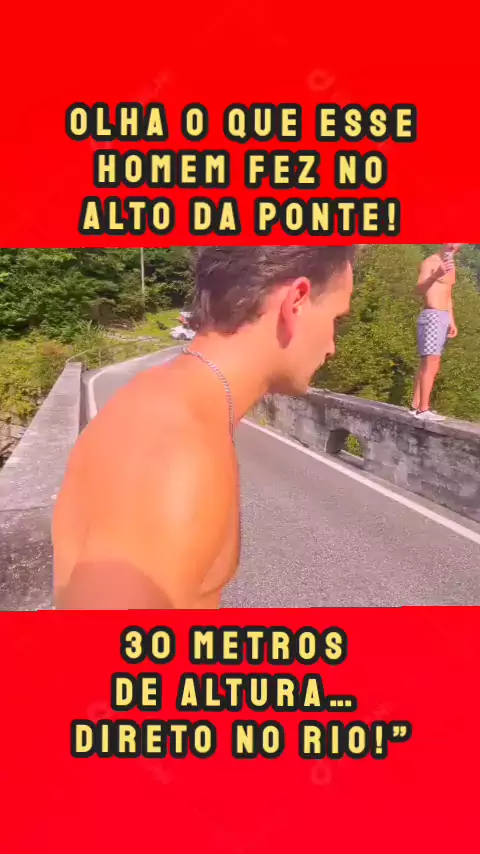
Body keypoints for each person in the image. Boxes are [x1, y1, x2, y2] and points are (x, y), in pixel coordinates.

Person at [53, 246, 355, 609]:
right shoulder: (173, 447)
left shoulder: (173, 401)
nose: (332, 347)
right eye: (336, 319)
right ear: (297, 301)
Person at [410, 244, 461, 421]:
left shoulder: (451, 265)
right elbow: (418, 289)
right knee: (431, 363)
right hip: (432, 315)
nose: (455, 246)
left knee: (430, 363)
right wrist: (435, 275)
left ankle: (415, 406)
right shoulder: (431, 262)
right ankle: (423, 409)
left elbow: (448, 295)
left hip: (443, 317)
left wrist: (451, 320)